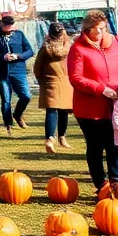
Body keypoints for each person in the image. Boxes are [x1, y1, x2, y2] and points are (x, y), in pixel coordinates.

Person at [67, 9, 118, 194]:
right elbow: (75, 78)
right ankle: (100, 184)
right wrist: (100, 88)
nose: (100, 33)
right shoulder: (78, 49)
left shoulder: (113, 44)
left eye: (103, 28)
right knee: (96, 146)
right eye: (96, 29)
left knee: (115, 144)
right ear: (87, 29)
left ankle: (116, 181)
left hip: (115, 104)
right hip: (89, 108)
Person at [0, 15, 35, 134]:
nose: (10, 28)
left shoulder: (19, 35)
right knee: (6, 100)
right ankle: (8, 124)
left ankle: (17, 114)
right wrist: (2, 57)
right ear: (2, 25)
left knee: (26, 96)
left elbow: (29, 51)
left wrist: (19, 56)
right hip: (2, 73)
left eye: (11, 26)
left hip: (19, 71)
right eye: (7, 26)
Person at [34, 22, 74, 154]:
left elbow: (37, 67)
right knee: (63, 111)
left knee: (51, 111)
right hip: (66, 81)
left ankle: (50, 138)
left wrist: (41, 80)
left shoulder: (45, 49)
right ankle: (62, 137)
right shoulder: (69, 47)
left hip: (50, 81)